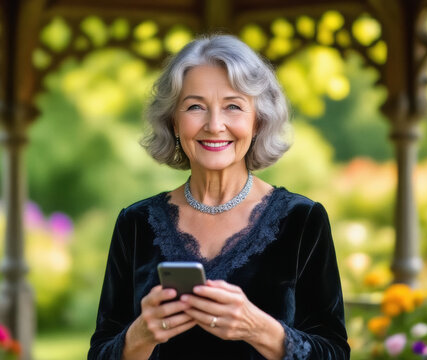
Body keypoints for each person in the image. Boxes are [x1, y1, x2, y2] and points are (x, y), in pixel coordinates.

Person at [88, 34, 350, 360]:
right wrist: (140, 336)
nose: (214, 125)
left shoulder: (302, 220)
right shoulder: (136, 223)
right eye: (195, 106)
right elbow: (100, 353)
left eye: (233, 107)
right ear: (173, 121)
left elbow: (334, 352)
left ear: (258, 120)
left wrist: (258, 328)